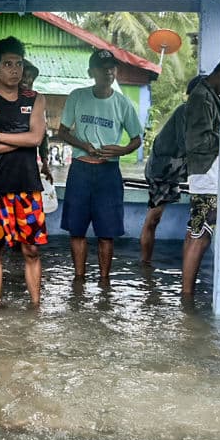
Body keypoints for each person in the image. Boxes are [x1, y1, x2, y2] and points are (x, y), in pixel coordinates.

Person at [0, 36, 48, 307]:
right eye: (7, 64)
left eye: (18, 63)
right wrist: (20, 137)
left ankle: (36, 306)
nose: (15, 70)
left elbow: (37, 139)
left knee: (32, 249)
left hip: (29, 186)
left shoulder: (35, 99)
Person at [58, 48, 143, 284]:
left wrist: (122, 150)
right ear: (91, 72)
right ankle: (79, 279)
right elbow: (62, 132)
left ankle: (105, 282)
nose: (109, 72)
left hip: (108, 172)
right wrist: (83, 144)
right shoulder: (77, 96)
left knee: (107, 233)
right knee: (76, 230)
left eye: (112, 68)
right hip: (81, 169)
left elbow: (136, 138)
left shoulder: (123, 103)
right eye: (103, 68)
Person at [138, 77, 195, 265]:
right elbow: (185, 144)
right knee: (153, 217)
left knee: (155, 217)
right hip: (161, 170)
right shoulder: (185, 112)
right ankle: (145, 263)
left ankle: (146, 263)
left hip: (172, 170)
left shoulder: (197, 114)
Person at [181, 62, 220, 297]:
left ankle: (186, 292)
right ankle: (186, 294)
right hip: (206, 173)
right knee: (200, 236)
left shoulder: (207, 95)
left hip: (205, 174)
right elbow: (196, 142)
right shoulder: (202, 97)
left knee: (196, 232)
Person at [20, 60, 53, 184]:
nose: (26, 80)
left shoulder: (36, 101)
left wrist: (45, 163)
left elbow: (43, 133)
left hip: (29, 163)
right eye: (23, 75)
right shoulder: (3, 100)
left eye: (30, 77)